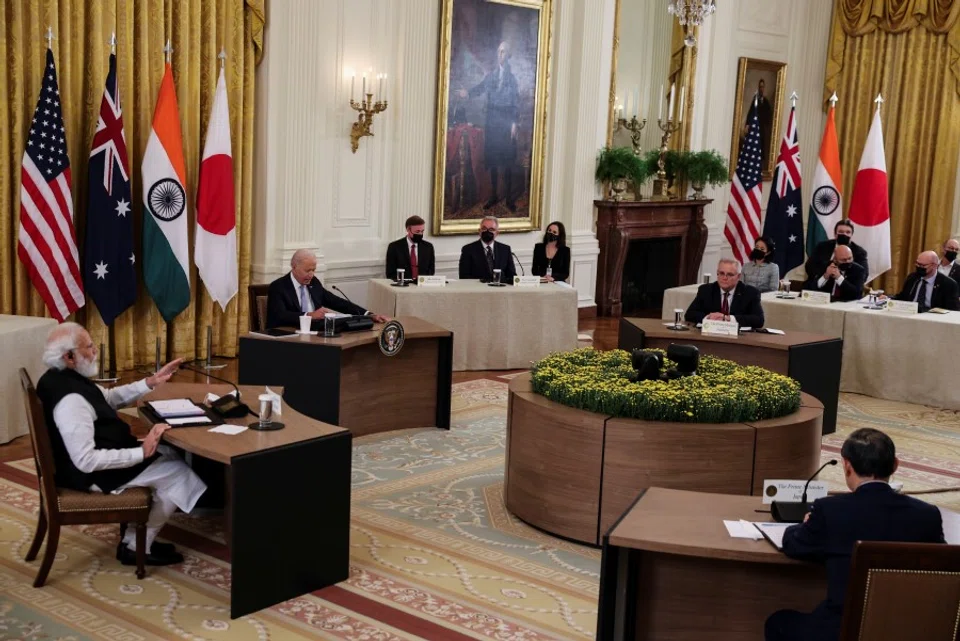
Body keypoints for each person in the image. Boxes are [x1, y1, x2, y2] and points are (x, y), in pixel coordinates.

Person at [35, 323, 206, 567]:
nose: (95, 351)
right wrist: (141, 451)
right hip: (89, 475)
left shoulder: (62, 377)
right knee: (180, 474)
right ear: (69, 357)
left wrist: (150, 382)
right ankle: (136, 546)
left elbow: (108, 398)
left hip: (92, 460)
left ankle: (135, 539)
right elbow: (85, 460)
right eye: (89, 347)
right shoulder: (70, 401)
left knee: (169, 452)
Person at [765, 428, 944, 641]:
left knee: (779, 623)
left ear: (847, 466)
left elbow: (795, 545)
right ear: (895, 465)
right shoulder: (928, 515)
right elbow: (941, 569)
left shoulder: (830, 511)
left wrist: (804, 524)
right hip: (906, 629)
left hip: (840, 630)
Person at [457, 41, 520, 211]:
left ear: (509, 56)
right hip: (492, 121)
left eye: (504, 52)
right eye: (499, 52)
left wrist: (514, 124)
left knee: (507, 161)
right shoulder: (491, 76)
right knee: (492, 160)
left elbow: (516, 103)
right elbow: (481, 88)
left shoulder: (512, 79)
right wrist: (468, 93)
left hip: (506, 122)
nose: (501, 55)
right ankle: (493, 195)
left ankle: (508, 199)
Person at [267, 249, 390, 328]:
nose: (311, 274)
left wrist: (368, 315)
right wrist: (309, 315)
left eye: (313, 270)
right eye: (307, 270)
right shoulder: (279, 287)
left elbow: (336, 302)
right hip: (291, 336)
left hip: (317, 332)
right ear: (294, 267)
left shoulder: (313, 283)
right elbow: (279, 316)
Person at [685, 258, 765, 328]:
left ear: (738, 276)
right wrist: (711, 317)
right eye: (721, 273)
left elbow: (759, 320)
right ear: (717, 273)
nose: (724, 278)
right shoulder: (706, 290)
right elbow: (689, 314)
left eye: (729, 275)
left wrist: (727, 318)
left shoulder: (750, 293)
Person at [891, 250, 960, 312]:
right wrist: (887, 298)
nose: (919, 267)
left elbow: (953, 310)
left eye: (923, 265)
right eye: (917, 264)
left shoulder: (948, 284)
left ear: (934, 266)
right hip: (909, 314)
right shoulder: (912, 278)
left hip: (933, 320)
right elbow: (902, 297)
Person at [458, 215, 517, 283]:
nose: (487, 232)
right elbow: (464, 277)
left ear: (497, 233)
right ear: (479, 231)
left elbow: (512, 276)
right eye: (484, 229)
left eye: (491, 229)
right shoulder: (468, 250)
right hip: (478, 290)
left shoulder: (505, 249)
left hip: (500, 290)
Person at [385, 215, 435, 280]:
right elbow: (390, 273)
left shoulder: (428, 247)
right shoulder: (394, 247)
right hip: (402, 286)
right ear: (408, 230)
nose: (420, 234)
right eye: (417, 231)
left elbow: (431, 271)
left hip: (422, 286)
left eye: (422, 231)